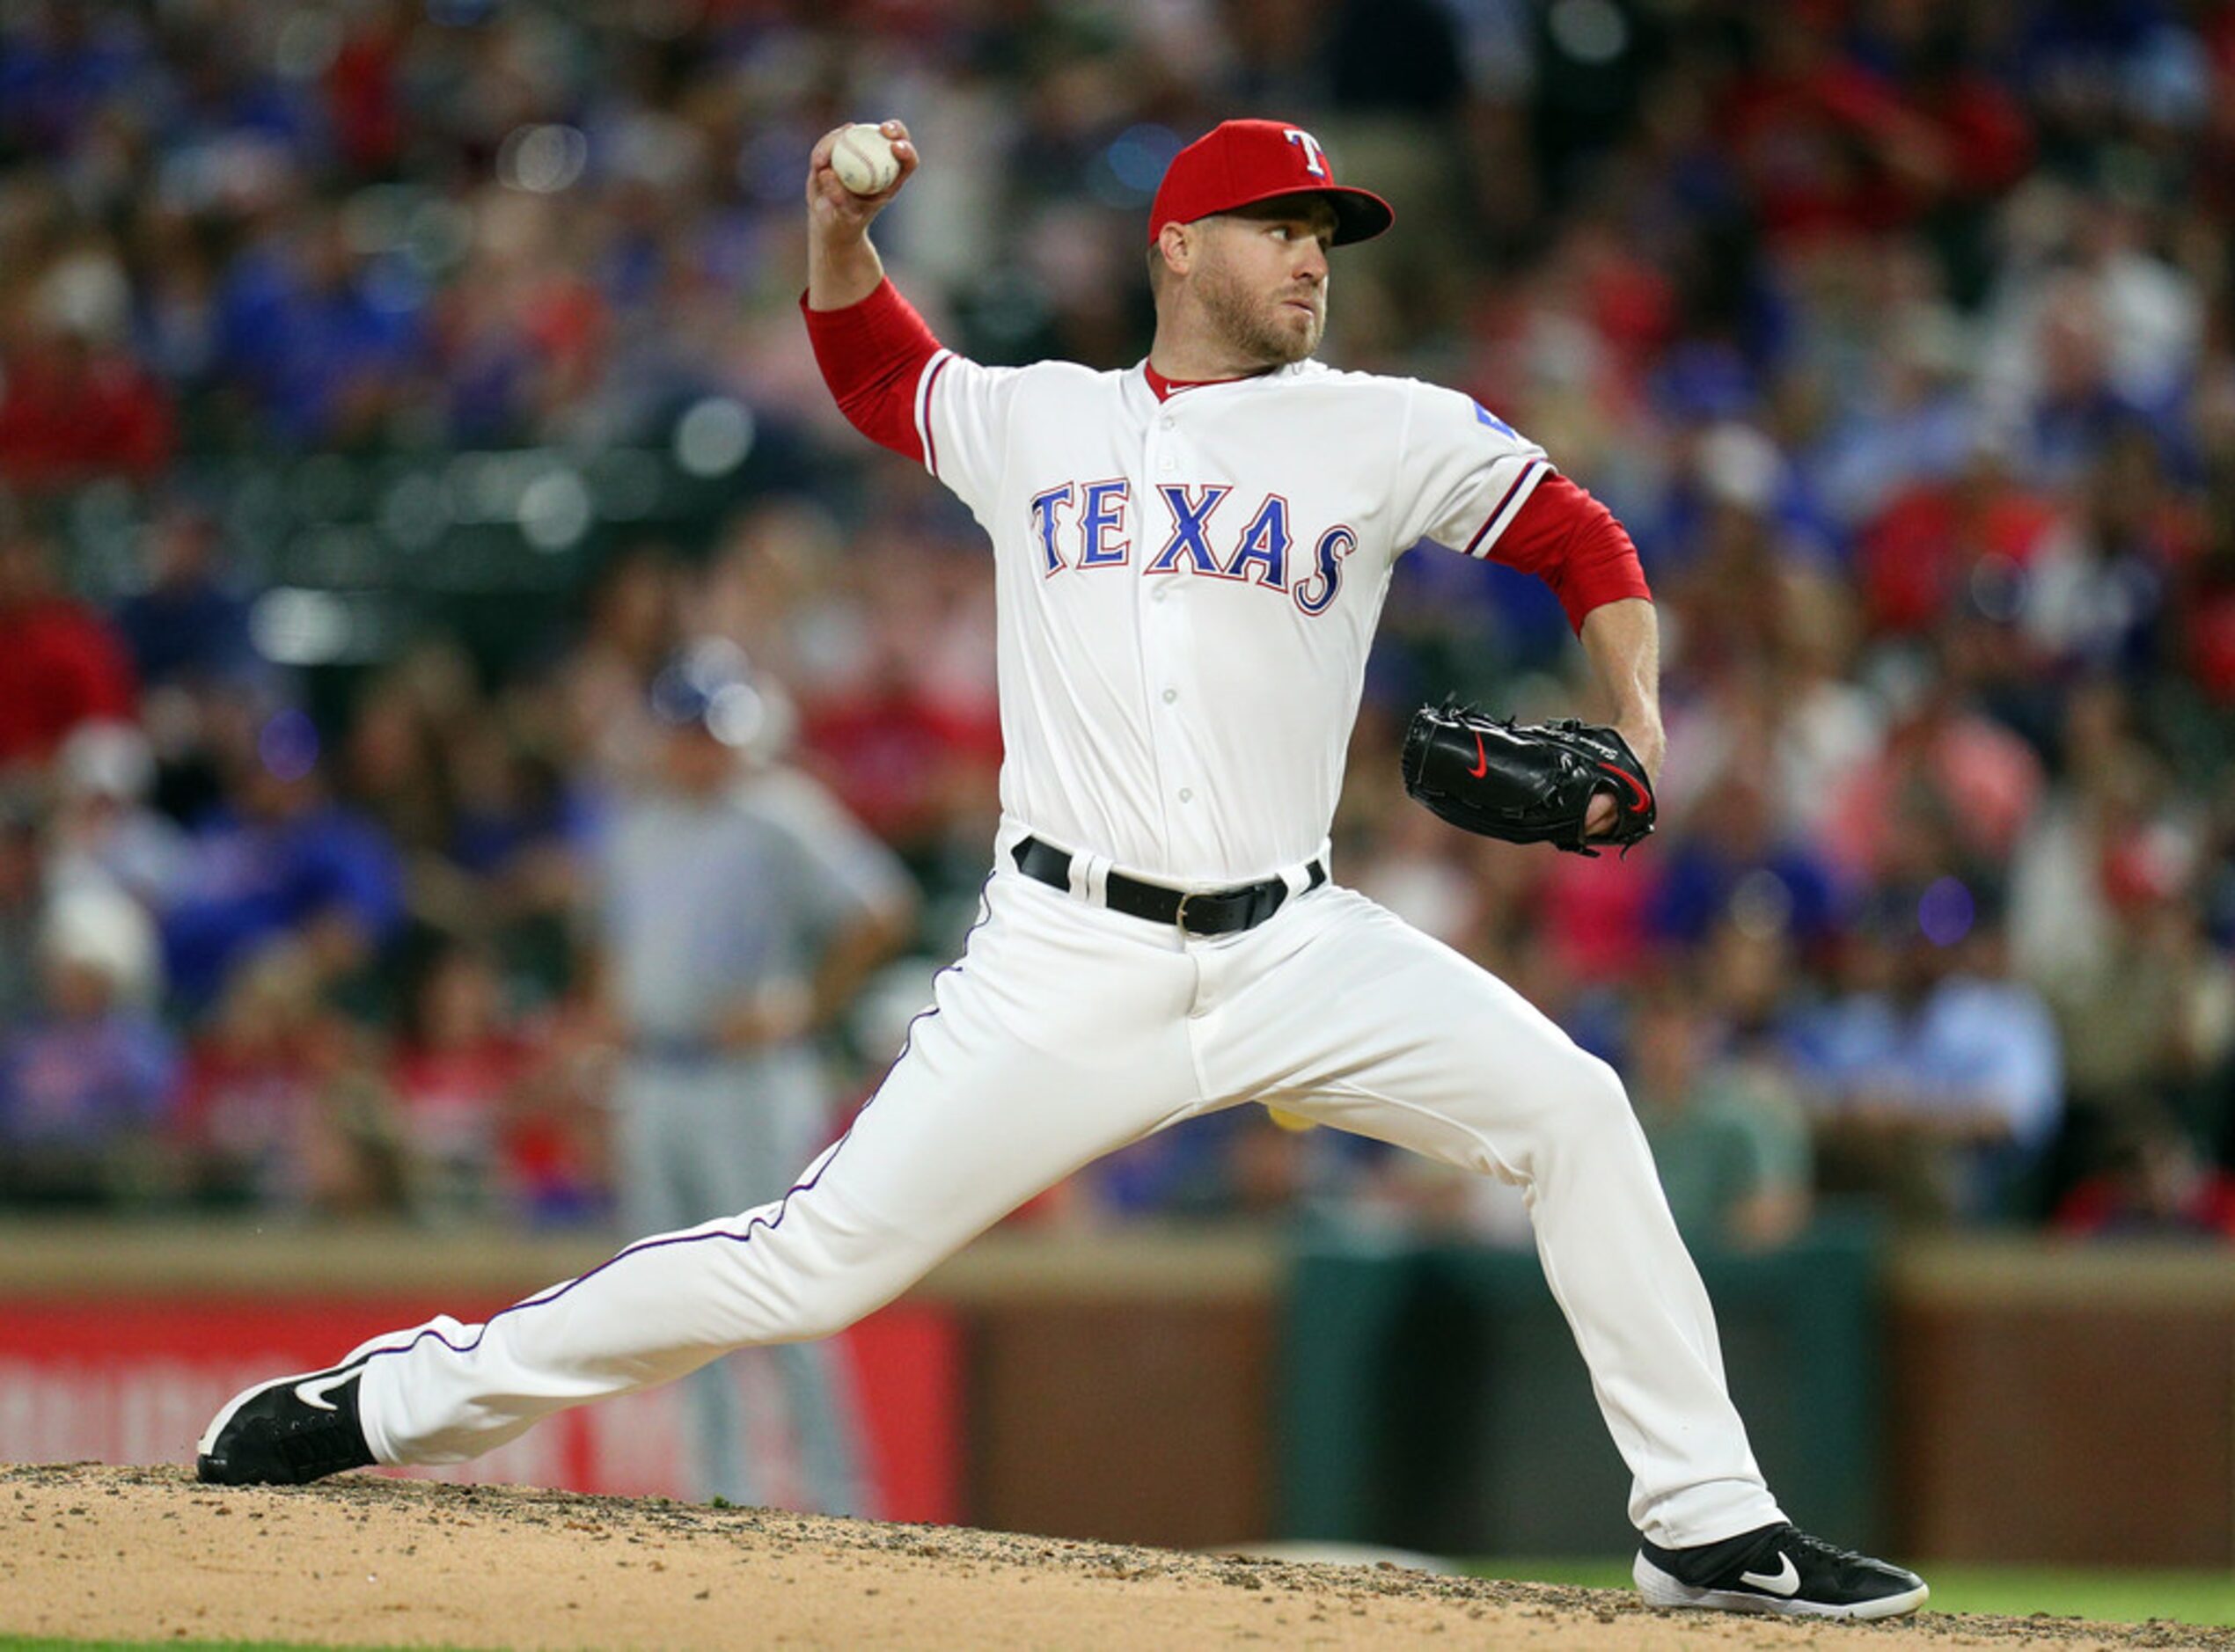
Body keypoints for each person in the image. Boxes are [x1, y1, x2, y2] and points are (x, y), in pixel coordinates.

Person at [195, 117, 1926, 1620]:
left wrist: (1634, 712)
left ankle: (1705, 1527)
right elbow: (879, 372)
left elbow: (1577, 534)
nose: (1312, 257)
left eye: (1326, 232)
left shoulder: (1378, 427)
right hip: (1061, 963)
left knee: (1571, 1112)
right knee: (811, 1269)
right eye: (1279, 227)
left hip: (1294, 949)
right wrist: (838, 227)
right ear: (1180, 243)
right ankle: (388, 1405)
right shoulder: (1038, 420)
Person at [585, 644, 916, 1513]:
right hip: (657, 1072)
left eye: (713, 733)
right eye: (688, 733)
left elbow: (882, 907)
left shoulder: (777, 811)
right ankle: (721, 1499)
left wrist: (805, 1003)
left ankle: (841, 1500)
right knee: (676, 1300)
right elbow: (617, 952)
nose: (701, 749)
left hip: (750, 1078)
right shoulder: (633, 824)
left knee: (785, 1288)